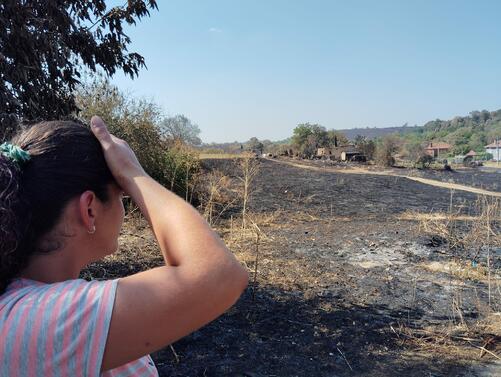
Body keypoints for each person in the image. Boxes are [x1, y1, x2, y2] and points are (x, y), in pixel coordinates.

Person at [0, 116, 249, 376]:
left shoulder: (29, 309)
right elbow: (218, 274)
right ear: (89, 210)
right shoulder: (41, 319)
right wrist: (132, 172)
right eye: (122, 195)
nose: (125, 209)